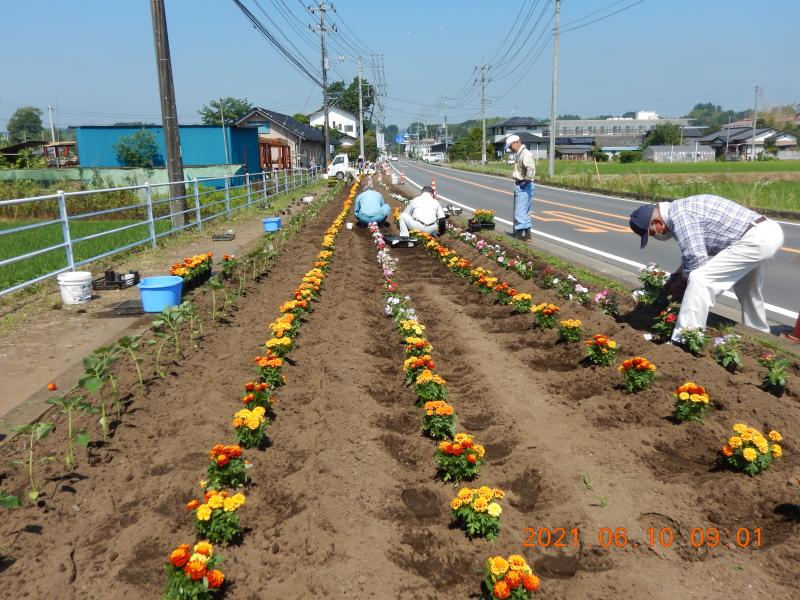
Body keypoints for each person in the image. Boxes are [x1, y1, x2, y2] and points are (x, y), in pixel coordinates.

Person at [629, 195, 784, 342]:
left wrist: (680, 285)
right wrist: (677, 276)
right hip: (766, 232)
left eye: (651, 232)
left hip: (756, 238)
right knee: (748, 289)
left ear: (658, 222)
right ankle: (759, 334)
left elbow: (697, 261)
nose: (656, 236)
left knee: (700, 279)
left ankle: (685, 338)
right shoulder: (680, 209)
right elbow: (695, 252)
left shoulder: (680, 216)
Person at [505, 134, 535, 240]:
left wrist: (525, 181)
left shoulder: (525, 154)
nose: (510, 149)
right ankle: (527, 234)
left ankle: (519, 233)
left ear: (516, 143)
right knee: (525, 210)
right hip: (525, 184)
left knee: (519, 210)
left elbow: (531, 168)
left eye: (510, 146)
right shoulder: (520, 153)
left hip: (524, 184)